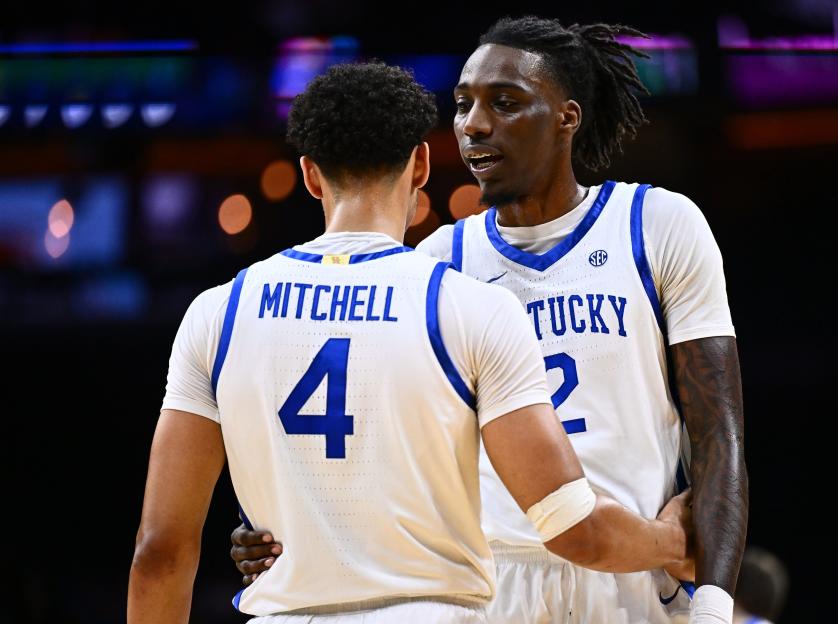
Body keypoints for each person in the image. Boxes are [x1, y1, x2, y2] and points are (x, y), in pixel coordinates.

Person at [128, 62, 695, 624]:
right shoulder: (469, 308)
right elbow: (570, 525)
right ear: (421, 164)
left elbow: (161, 552)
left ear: (309, 175)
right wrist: (672, 541)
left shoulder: (216, 314)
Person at [233, 16, 748, 623]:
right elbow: (366, 443)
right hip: (486, 584)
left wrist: (715, 606)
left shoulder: (656, 224)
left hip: (632, 572)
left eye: (504, 103)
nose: (473, 124)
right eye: (461, 104)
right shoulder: (437, 262)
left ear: (566, 117)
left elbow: (720, 434)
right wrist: (266, 525)